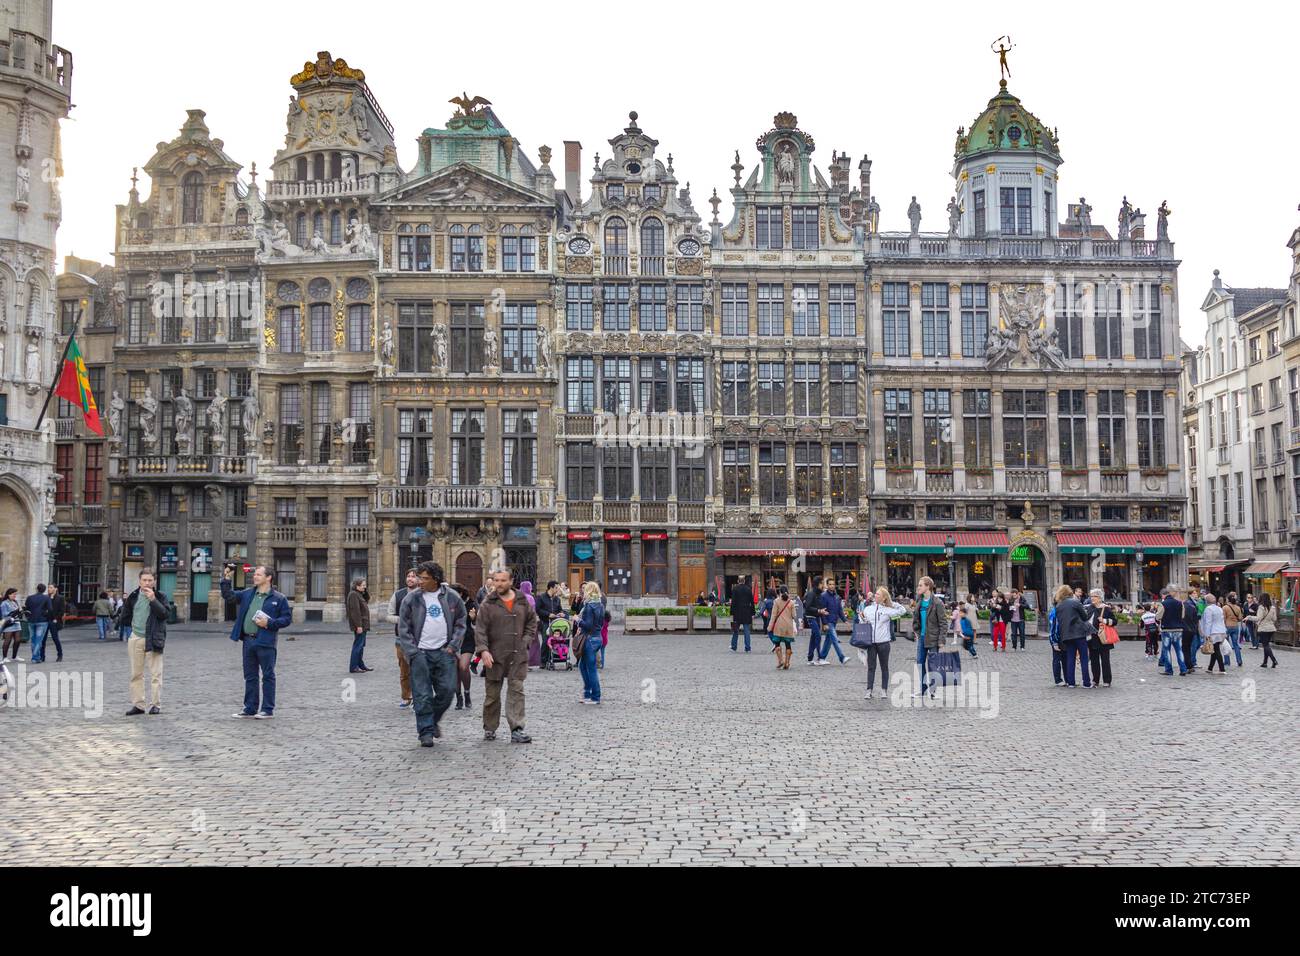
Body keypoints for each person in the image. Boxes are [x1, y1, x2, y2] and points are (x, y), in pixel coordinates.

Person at [397, 562, 466, 747]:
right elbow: (403, 628)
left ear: (435, 579)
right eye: (419, 577)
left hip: (445, 652)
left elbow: (461, 622)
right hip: (420, 653)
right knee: (422, 694)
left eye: (424, 578)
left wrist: (453, 646)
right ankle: (425, 731)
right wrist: (412, 652)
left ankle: (433, 719)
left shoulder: (452, 597)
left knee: (448, 690)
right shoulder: (411, 599)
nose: (420, 581)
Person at [222, 563, 293, 719]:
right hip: (248, 641)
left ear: (268, 578)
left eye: (258, 574)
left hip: (266, 642)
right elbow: (229, 596)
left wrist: (269, 623)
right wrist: (226, 578)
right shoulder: (248, 594)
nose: (255, 576)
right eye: (255, 574)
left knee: (268, 675)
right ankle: (250, 708)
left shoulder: (278, 598)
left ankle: (267, 709)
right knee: (250, 676)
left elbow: (287, 619)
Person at [475, 568, 537, 743]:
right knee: (492, 696)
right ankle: (490, 727)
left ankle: (517, 728)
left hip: (518, 656)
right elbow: (480, 630)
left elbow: (532, 622)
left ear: (511, 581)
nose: (499, 584)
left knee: (517, 692)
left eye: (503, 580)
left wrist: (525, 641)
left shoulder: (522, 601)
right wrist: (484, 650)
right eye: (496, 580)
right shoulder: (487, 604)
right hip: (494, 656)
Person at [121, 569, 169, 715]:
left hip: (153, 638)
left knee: (155, 674)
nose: (147, 583)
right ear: (139, 581)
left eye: (150, 580)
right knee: (136, 673)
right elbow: (126, 614)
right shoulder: (133, 596)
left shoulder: (160, 596)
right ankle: (139, 705)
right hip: (136, 637)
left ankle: (155, 704)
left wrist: (153, 600)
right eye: (144, 580)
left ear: (154, 581)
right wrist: (132, 627)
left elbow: (164, 614)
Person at [857, 586, 906, 699]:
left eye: (878, 594)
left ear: (884, 598)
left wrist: (891, 603)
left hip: (884, 643)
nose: (875, 595)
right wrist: (862, 619)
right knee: (871, 667)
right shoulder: (868, 609)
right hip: (871, 643)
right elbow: (862, 621)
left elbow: (902, 611)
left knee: (884, 667)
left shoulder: (888, 610)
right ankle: (869, 690)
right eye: (876, 593)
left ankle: (884, 691)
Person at [386, 569, 419, 708]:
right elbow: (389, 615)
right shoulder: (398, 595)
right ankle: (406, 696)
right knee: (404, 670)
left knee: (418, 670)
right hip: (401, 639)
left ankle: (418, 697)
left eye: (413, 576)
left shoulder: (423, 595)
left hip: (419, 639)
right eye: (408, 576)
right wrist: (401, 620)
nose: (410, 578)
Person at [913, 576, 949, 698]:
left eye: (920, 585)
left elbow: (943, 623)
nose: (918, 587)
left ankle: (932, 692)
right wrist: (917, 632)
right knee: (920, 663)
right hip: (922, 638)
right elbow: (916, 620)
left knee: (933, 666)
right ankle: (923, 690)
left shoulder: (937, 603)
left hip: (933, 639)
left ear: (928, 586)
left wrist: (941, 640)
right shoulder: (919, 601)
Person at [1056, 586, 1093, 687]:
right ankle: (1086, 683)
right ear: (1070, 592)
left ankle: (1071, 682)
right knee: (1084, 658)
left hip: (1067, 635)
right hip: (1079, 634)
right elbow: (1085, 617)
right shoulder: (1075, 602)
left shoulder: (1058, 606)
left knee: (1070, 658)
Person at [576, 581, 604, 704]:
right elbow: (601, 623)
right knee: (582, 665)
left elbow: (588, 625)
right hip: (598, 638)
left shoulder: (588, 606)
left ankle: (595, 696)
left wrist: (578, 620)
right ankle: (587, 693)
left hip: (590, 639)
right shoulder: (600, 605)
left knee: (591, 668)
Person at [1084, 588, 1116, 688]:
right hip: (1091, 638)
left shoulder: (1106, 608)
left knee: (1105, 660)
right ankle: (1095, 680)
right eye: (1091, 596)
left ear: (1099, 597)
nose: (1092, 598)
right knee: (1094, 661)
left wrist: (1105, 620)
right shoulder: (1088, 608)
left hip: (1103, 638)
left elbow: (1114, 621)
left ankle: (1107, 681)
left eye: (1094, 596)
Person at [451, 583, 476, 711]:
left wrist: (473, 618)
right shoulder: (448, 605)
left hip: (467, 640)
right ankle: (459, 697)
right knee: (455, 670)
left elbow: (478, 622)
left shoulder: (471, 604)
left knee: (463, 666)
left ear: (460, 593)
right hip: (452, 641)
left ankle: (467, 694)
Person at [1156, 585, 1189, 677]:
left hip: (1167, 629)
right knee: (1179, 650)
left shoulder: (1163, 604)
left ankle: (1169, 670)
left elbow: (1158, 616)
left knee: (1167, 650)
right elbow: (1182, 616)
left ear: (1163, 595)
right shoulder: (1180, 603)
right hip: (1178, 629)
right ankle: (1183, 669)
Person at [816, 577, 849, 665]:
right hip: (828, 622)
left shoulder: (837, 597)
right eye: (830, 584)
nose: (832, 586)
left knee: (828, 641)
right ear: (827, 585)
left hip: (834, 621)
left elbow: (840, 610)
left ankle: (822, 658)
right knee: (834, 639)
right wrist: (824, 623)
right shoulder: (823, 596)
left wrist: (845, 620)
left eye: (833, 584)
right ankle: (842, 658)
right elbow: (822, 610)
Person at [1243, 593, 1279, 668]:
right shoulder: (1272, 607)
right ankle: (1265, 663)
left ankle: (1274, 660)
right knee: (1266, 645)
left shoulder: (1261, 607)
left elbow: (1258, 618)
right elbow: (1274, 619)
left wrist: (1249, 617)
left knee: (1265, 645)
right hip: (1271, 629)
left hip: (1263, 629)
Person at [345, 577, 372, 674]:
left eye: (365, 585)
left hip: (363, 624)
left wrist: (365, 591)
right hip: (360, 625)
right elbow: (355, 611)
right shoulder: (353, 595)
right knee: (358, 645)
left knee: (361, 645)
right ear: (357, 586)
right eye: (363, 585)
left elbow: (367, 599)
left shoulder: (359, 594)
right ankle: (353, 667)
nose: (365, 587)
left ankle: (361, 665)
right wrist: (358, 626)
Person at [768, 585, 798, 669]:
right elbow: (794, 616)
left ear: (779, 592)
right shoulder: (791, 602)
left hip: (778, 625)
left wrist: (770, 627)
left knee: (777, 643)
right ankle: (787, 663)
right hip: (788, 626)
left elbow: (773, 616)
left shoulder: (776, 601)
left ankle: (780, 660)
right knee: (788, 644)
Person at [1200, 592, 1228, 674]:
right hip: (1221, 631)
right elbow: (1222, 620)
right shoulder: (1219, 608)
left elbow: (1208, 623)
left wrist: (1207, 635)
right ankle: (1210, 668)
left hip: (1213, 632)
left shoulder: (1208, 609)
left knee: (1216, 650)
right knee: (1214, 650)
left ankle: (1222, 669)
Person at [24, 583, 52, 664]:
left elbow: (26, 609)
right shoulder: (46, 598)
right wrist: (46, 616)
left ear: (37, 589)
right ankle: (35, 657)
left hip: (31, 620)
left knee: (33, 639)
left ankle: (36, 657)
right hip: (42, 621)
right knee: (38, 640)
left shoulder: (30, 598)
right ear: (44, 590)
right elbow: (50, 609)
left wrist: (28, 617)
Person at [1049, 585, 1069, 686]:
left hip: (1064, 637)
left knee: (1065, 659)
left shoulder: (1062, 609)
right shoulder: (1055, 611)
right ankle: (1058, 679)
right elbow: (1053, 628)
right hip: (1056, 638)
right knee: (1057, 659)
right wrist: (1054, 642)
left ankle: (1067, 679)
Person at [729, 574, 755, 653]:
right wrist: (753, 612)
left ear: (738, 581)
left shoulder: (735, 589)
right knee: (747, 631)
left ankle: (734, 646)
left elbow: (733, 602)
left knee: (735, 630)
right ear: (744, 581)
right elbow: (752, 602)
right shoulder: (748, 589)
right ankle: (748, 648)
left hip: (737, 612)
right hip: (747, 612)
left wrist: (731, 612)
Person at [802, 576, 825, 664]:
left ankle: (810, 658)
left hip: (816, 617)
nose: (823, 585)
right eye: (822, 583)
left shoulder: (819, 594)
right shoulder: (811, 593)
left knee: (813, 637)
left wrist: (822, 612)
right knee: (818, 636)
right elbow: (808, 607)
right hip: (811, 618)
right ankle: (819, 658)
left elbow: (818, 606)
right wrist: (818, 610)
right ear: (818, 584)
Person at [1221, 591, 1244, 668]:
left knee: (1225, 644)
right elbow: (1240, 618)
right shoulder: (1238, 607)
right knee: (1236, 645)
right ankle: (1239, 660)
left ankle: (1227, 661)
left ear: (1228, 599)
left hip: (1227, 626)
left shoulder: (1225, 607)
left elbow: (1223, 618)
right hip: (1235, 626)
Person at [44, 585, 66, 663]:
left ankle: (60, 654)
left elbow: (62, 610)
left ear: (55, 589)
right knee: (43, 639)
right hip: (46, 620)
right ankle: (42, 656)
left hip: (54, 621)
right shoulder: (46, 597)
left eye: (51, 587)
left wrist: (56, 618)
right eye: (49, 588)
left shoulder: (60, 598)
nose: (49, 589)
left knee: (55, 638)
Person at [2, 588, 24, 663]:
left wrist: (21, 611)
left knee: (18, 640)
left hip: (17, 623)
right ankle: (4, 657)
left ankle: (14, 656)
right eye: (14, 594)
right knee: (7, 640)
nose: (15, 595)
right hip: (9, 624)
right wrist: (14, 612)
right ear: (9, 594)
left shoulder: (15, 602)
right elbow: (4, 614)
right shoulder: (4, 603)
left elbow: (19, 611)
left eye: (15, 594)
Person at [1183, 587, 1202, 670]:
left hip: (1194, 627)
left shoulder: (1195, 602)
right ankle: (1192, 662)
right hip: (1191, 627)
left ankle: (1191, 661)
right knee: (1194, 645)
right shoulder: (1189, 603)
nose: (1196, 594)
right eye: (1194, 593)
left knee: (1197, 644)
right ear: (1190, 594)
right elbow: (1191, 616)